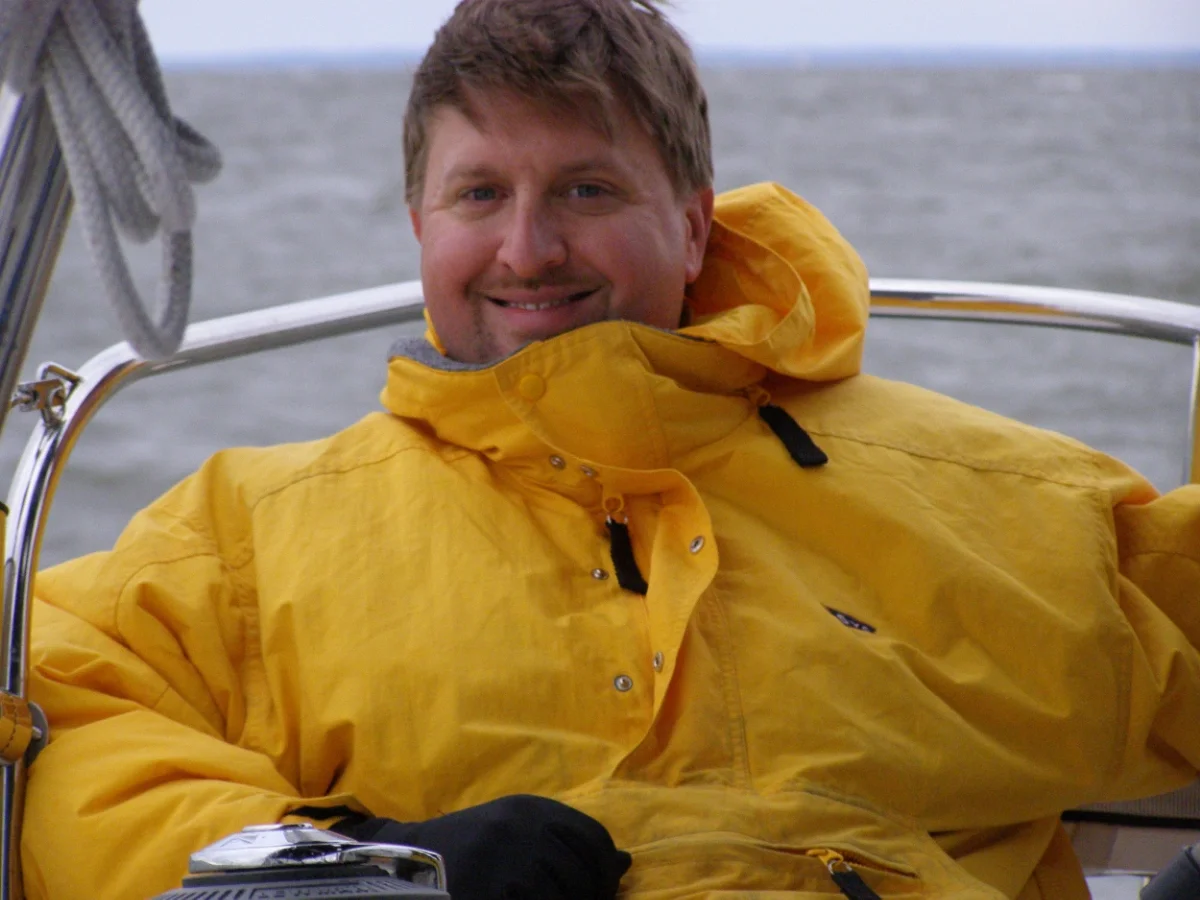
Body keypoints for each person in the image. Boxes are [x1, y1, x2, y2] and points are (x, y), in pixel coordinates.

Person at [18, 0, 1200, 898]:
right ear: (419, 226)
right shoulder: (251, 538)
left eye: (586, 190)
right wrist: (358, 866)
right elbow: (56, 718)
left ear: (692, 226)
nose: (528, 249)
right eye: (480, 195)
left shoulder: (993, 502)